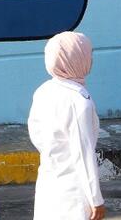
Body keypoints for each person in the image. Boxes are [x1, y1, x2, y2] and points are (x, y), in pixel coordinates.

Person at [28, 32, 105, 220]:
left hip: (49, 180)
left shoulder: (44, 90)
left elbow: (35, 133)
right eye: (88, 53)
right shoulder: (78, 102)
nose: (91, 58)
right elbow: (83, 154)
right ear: (76, 58)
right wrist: (96, 199)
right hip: (73, 193)